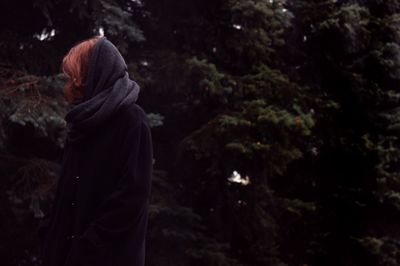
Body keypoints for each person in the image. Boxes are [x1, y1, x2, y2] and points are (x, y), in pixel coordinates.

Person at [38, 35, 153, 266]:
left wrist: (89, 243)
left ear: (95, 75)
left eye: (76, 78)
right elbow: (68, 190)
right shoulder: (81, 123)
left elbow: (132, 197)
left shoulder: (131, 120)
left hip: (107, 256)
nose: (70, 86)